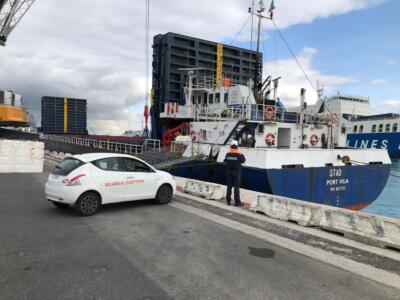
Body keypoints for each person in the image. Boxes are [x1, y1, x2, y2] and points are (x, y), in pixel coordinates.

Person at [224, 140, 246, 206]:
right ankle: (237, 202)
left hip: (229, 172)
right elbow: (243, 160)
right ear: (237, 146)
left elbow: (225, 161)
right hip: (237, 172)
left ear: (231, 146)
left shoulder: (227, 153)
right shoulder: (239, 154)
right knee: (236, 187)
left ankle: (228, 201)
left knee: (229, 187)